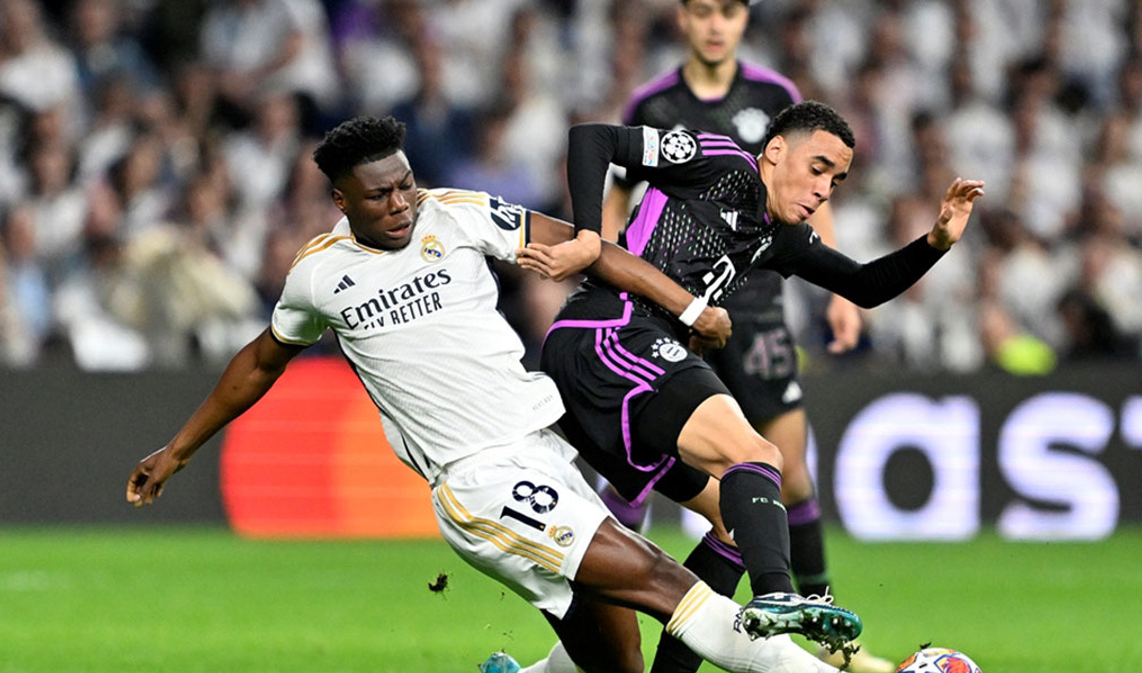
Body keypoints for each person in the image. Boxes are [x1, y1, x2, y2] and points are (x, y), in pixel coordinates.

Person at [125, 116, 851, 673]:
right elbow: (260, 361)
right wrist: (178, 450)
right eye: (380, 195)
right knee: (668, 586)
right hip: (479, 480)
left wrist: (682, 307)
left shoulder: (458, 213)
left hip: (544, 450)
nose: (403, 204)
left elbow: (589, 248)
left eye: (406, 183)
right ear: (341, 199)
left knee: (618, 658)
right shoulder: (319, 276)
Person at [526, 101, 983, 669]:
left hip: (633, 362)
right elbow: (593, 137)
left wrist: (936, 241)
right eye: (817, 168)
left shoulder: (781, 237)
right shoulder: (713, 161)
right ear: (774, 152)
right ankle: (776, 594)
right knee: (756, 454)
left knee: (736, 522)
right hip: (609, 330)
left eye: (836, 181)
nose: (824, 190)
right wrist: (592, 239)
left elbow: (864, 285)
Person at [596, 0, 877, 671]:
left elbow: (816, 196)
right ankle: (603, 644)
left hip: (753, 309)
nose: (716, 23)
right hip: (669, 305)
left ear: (744, 21)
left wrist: (841, 288)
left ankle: (834, 646)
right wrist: (600, 261)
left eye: (729, 11)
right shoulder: (652, 102)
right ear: (684, 19)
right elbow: (619, 189)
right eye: (702, 10)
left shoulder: (776, 98)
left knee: (791, 477)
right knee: (630, 480)